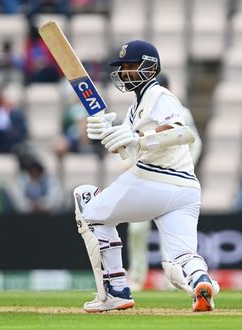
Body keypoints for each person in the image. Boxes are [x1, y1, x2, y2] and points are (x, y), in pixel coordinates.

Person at [73, 40, 218, 312]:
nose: (125, 72)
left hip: (155, 180)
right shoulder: (134, 107)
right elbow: (127, 151)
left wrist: (139, 137)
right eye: (123, 67)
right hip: (185, 190)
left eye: (130, 66)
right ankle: (201, 282)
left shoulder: (159, 95)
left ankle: (114, 291)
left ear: (150, 68)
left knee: (87, 206)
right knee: (181, 258)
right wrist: (104, 131)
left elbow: (181, 132)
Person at [127, 73, 202, 291]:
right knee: (137, 230)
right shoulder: (140, 112)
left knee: (169, 229)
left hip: (172, 178)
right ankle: (137, 277)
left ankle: (173, 279)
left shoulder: (181, 113)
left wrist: (187, 168)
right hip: (146, 179)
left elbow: (194, 142)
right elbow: (135, 142)